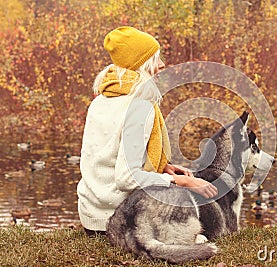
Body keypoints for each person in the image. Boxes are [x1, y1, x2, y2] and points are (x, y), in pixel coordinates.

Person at [77, 26, 218, 236]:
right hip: (120, 222)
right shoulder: (139, 108)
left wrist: (162, 168)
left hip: (92, 216)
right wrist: (182, 181)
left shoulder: (101, 100)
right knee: (197, 207)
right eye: (154, 59)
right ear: (140, 66)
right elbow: (125, 179)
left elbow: (110, 157)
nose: (162, 65)